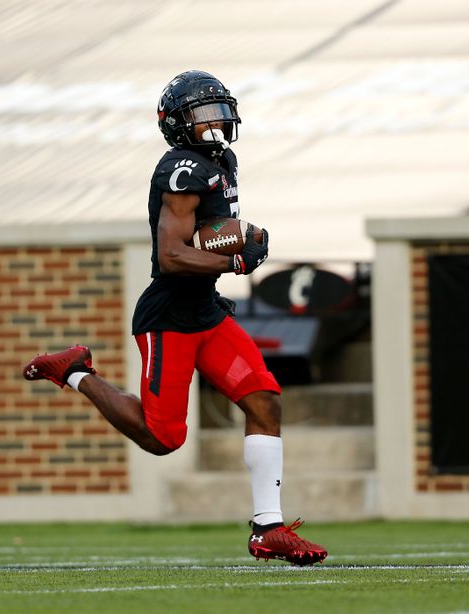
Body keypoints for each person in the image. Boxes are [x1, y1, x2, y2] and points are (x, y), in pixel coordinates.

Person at [23, 70, 327, 566]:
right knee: (164, 438)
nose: (215, 121)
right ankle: (74, 370)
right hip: (169, 317)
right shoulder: (181, 169)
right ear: (177, 124)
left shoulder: (222, 160)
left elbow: (211, 231)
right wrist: (234, 260)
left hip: (205, 312)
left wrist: (245, 236)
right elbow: (172, 255)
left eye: (218, 109)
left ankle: (267, 528)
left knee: (265, 401)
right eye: (201, 113)